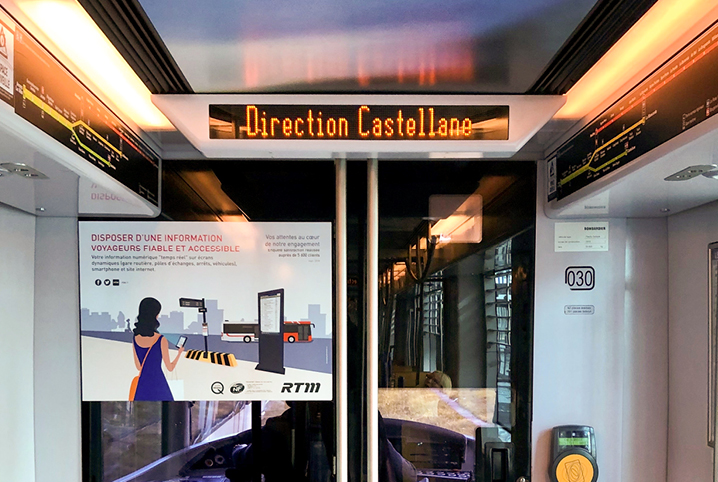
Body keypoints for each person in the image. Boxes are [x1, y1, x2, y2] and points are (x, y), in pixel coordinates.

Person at [131, 297, 184, 401]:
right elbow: (170, 367)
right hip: (158, 384)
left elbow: (138, 367)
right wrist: (179, 353)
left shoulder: (135, 338)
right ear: (155, 315)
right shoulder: (161, 339)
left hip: (142, 385)